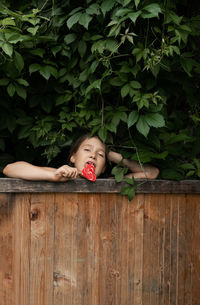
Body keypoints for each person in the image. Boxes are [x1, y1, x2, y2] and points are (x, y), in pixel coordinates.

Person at [3, 134, 159, 181]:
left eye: (100, 154)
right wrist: (52, 175)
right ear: (72, 158)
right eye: (87, 150)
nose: (93, 155)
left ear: (104, 167)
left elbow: (152, 173)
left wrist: (113, 156)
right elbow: (9, 168)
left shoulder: (111, 182)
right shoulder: (60, 173)